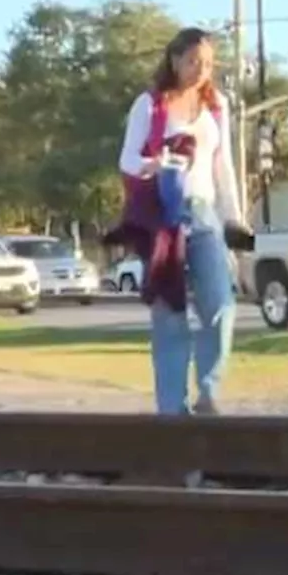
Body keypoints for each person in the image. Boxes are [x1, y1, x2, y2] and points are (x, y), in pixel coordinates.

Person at [105, 27, 247, 415]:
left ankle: (209, 391)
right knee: (170, 314)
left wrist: (233, 216)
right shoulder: (149, 105)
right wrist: (153, 164)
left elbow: (224, 164)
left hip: (204, 213)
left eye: (207, 64)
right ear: (174, 60)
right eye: (192, 62)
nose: (200, 70)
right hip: (163, 214)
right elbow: (127, 160)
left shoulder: (216, 104)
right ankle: (172, 408)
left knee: (220, 304)